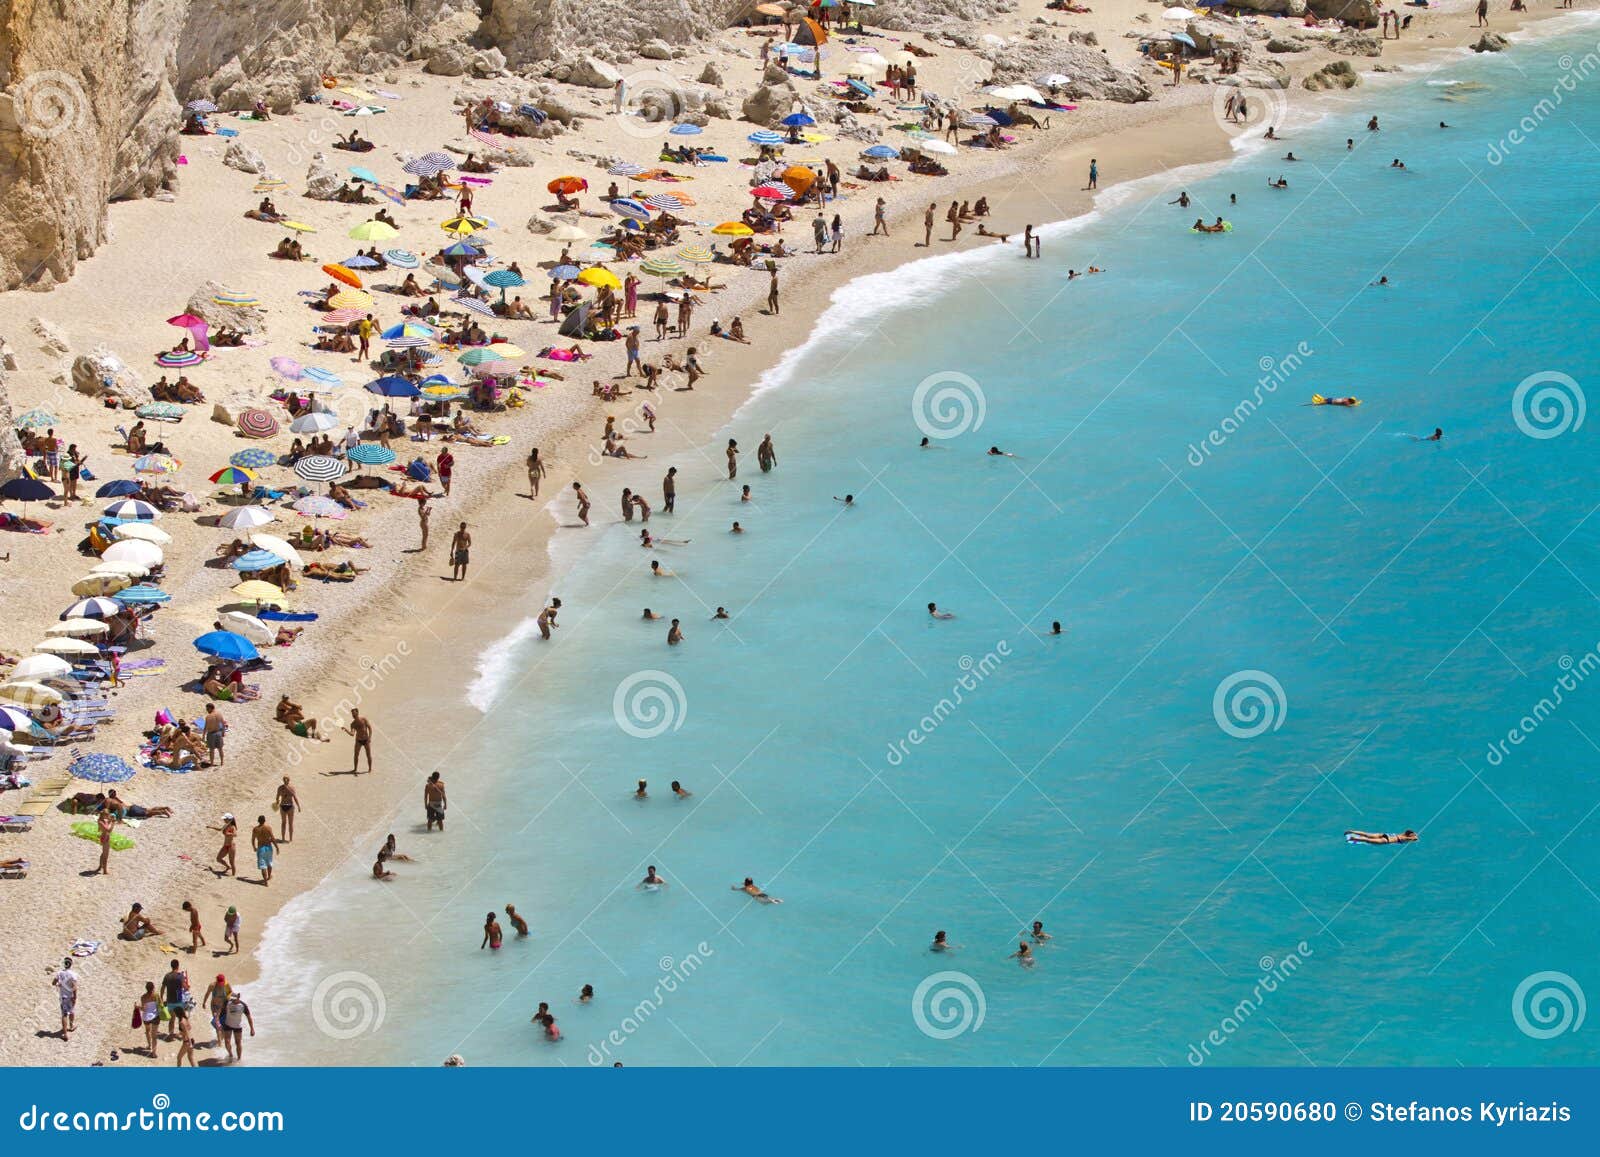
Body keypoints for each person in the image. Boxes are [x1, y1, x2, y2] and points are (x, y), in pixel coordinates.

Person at [220, 989, 254, 1062]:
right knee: (227, 1042)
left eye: (235, 999)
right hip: (228, 1024)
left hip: (238, 1026)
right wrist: (218, 1021)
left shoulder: (243, 1005)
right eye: (232, 999)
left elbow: (249, 1017)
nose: (233, 1000)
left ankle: (239, 1059)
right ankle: (230, 1054)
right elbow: (221, 1012)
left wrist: (252, 1029)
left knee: (238, 1043)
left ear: (239, 997)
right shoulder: (227, 1002)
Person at [52, 958, 77, 1038]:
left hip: (63, 997)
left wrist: (59, 984)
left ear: (64, 964)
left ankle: (65, 1034)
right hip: (71, 996)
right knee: (72, 1011)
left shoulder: (59, 973)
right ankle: (71, 1026)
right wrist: (75, 996)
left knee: (64, 1014)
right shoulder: (73, 974)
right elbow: (75, 987)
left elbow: (53, 983)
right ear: (71, 964)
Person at [251, 815, 278, 886]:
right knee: (269, 863)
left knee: (263, 865)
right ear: (264, 820)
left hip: (261, 848)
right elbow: (272, 838)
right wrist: (277, 847)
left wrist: (254, 847)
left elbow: (253, 839)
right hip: (268, 847)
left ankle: (266, 881)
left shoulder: (255, 829)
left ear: (258, 821)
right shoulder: (268, 828)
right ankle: (269, 876)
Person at [346, 708, 374, 774]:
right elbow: (352, 734)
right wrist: (346, 730)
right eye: (352, 714)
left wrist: (370, 737)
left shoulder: (364, 719)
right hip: (358, 741)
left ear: (357, 713)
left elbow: (370, 728)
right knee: (356, 755)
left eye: (354, 713)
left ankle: (370, 769)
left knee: (368, 755)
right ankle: (355, 769)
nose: (353, 715)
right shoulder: (352, 724)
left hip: (366, 740)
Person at [274, 776, 300, 842]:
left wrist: (277, 803)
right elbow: (295, 798)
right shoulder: (292, 788)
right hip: (290, 806)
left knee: (283, 823)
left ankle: (283, 839)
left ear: (283, 780)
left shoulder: (280, 788)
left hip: (283, 806)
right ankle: (290, 839)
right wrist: (298, 806)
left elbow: (277, 797)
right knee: (290, 823)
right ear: (289, 780)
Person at [202, 701, 227, 766]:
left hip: (211, 734)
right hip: (218, 732)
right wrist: (223, 732)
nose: (207, 710)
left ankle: (212, 763)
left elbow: (206, 728)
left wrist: (203, 736)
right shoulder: (219, 714)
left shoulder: (209, 717)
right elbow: (223, 723)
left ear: (210, 708)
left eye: (207, 709)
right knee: (220, 749)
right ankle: (222, 762)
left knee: (212, 750)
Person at [1345, 829, 1418, 844]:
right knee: (1367, 840)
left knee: (1367, 834)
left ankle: (1352, 831)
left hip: (1384, 834)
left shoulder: (1402, 834)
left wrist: (1413, 834)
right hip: (1386, 840)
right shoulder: (1405, 838)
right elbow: (1415, 839)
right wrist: (1414, 837)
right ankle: (1353, 838)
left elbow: (1409, 831)